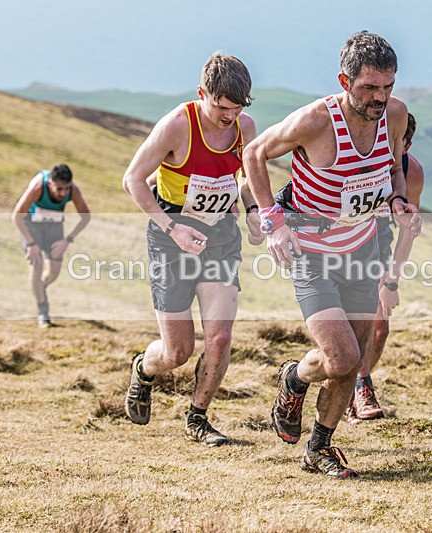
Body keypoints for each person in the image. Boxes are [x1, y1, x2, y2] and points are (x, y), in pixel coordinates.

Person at [244, 31, 419, 478]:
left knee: (356, 360)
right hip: (312, 254)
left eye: (388, 86)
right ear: (345, 80)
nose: (380, 97)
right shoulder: (316, 122)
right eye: (369, 88)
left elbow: (394, 163)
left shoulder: (394, 115)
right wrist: (273, 221)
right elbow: (254, 153)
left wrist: (398, 200)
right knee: (339, 358)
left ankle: (319, 447)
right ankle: (294, 379)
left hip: (360, 249)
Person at [121, 52, 262, 446]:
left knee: (218, 337)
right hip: (170, 239)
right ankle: (144, 370)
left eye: (236, 108)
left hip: (219, 237)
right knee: (177, 352)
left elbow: (247, 178)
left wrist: (252, 211)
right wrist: (172, 227)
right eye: (221, 107)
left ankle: (197, 418)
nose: (228, 117)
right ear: (202, 93)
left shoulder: (244, 127)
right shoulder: (176, 126)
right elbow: (132, 180)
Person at [347, 113, 425, 423]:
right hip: (334, 243)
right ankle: (347, 385)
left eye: (397, 144)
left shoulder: (411, 171)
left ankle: (358, 385)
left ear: (406, 144)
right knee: (345, 330)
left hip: (375, 244)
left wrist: (391, 282)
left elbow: (407, 230)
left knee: (379, 329)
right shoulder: (356, 156)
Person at [12, 164, 91, 327]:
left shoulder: (73, 191)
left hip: (54, 226)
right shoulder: (38, 187)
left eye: (66, 189)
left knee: (53, 273)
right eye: (59, 189)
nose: (63, 193)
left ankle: (38, 289)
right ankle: (43, 313)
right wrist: (31, 243)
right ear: (50, 184)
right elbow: (16, 217)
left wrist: (67, 240)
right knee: (36, 265)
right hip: (30, 224)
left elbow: (86, 217)